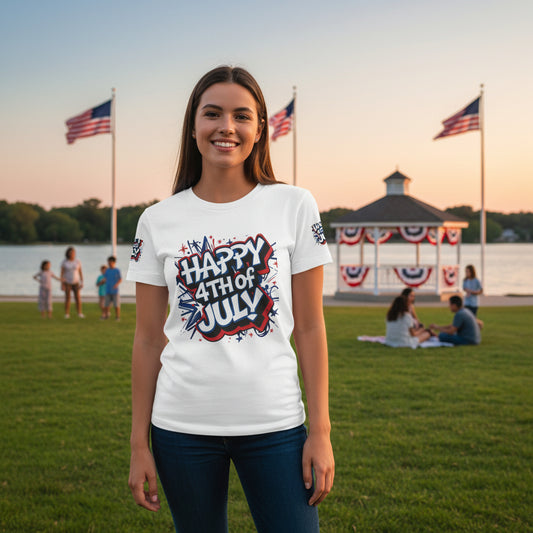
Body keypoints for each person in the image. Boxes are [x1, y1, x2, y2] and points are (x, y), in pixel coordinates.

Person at [126, 66, 334, 533]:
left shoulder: (294, 205)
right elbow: (146, 340)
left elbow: (311, 327)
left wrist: (319, 431)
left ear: (260, 128)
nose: (227, 127)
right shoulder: (157, 221)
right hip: (181, 430)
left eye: (242, 115)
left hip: (276, 426)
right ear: (193, 126)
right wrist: (140, 443)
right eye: (213, 114)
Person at [60, 246, 84, 319]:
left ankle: (79, 313)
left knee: (78, 298)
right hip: (67, 282)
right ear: (68, 253)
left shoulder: (77, 261)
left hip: (76, 282)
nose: (72, 254)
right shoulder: (64, 262)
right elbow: (62, 273)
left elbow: (80, 272)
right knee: (68, 298)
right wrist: (62, 283)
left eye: (73, 252)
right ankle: (67, 313)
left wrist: (82, 281)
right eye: (71, 253)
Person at [103, 256, 122, 320]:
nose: (109, 263)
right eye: (108, 262)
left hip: (115, 291)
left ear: (113, 262)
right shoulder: (107, 270)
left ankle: (117, 317)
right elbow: (105, 278)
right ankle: (106, 316)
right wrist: (100, 283)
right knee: (106, 305)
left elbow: (120, 279)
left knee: (116, 305)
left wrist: (116, 284)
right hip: (108, 290)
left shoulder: (117, 270)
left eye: (110, 262)